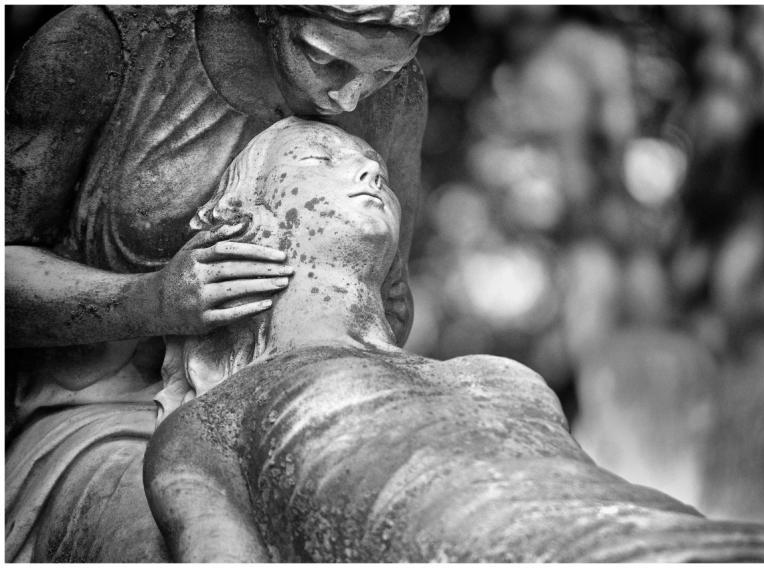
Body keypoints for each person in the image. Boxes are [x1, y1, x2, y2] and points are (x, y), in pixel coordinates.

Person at [146, 118, 764, 562]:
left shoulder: (502, 375)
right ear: (244, 217)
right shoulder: (211, 423)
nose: (366, 173)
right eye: (320, 161)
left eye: (374, 169)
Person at [5, 5, 448, 562]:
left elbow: (388, 301)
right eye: (324, 57)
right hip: (110, 410)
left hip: (293, 408)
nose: (351, 98)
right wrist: (147, 302)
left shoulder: (398, 93)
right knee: (161, 541)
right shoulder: (102, 45)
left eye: (385, 70)